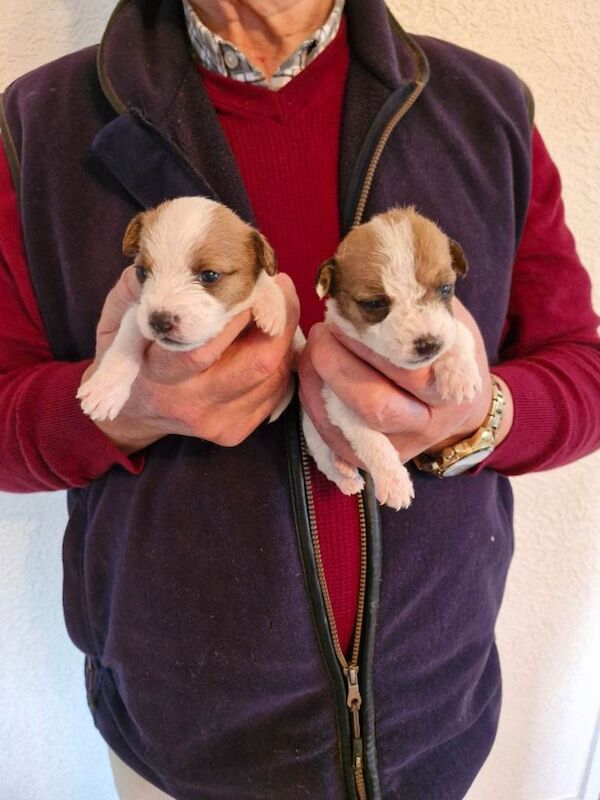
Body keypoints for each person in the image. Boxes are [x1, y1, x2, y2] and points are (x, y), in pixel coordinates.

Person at [1, 0, 599, 798]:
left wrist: (480, 417)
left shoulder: (483, 108)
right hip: (180, 735)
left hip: (433, 724)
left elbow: (581, 371)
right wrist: (131, 406)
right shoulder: (38, 125)